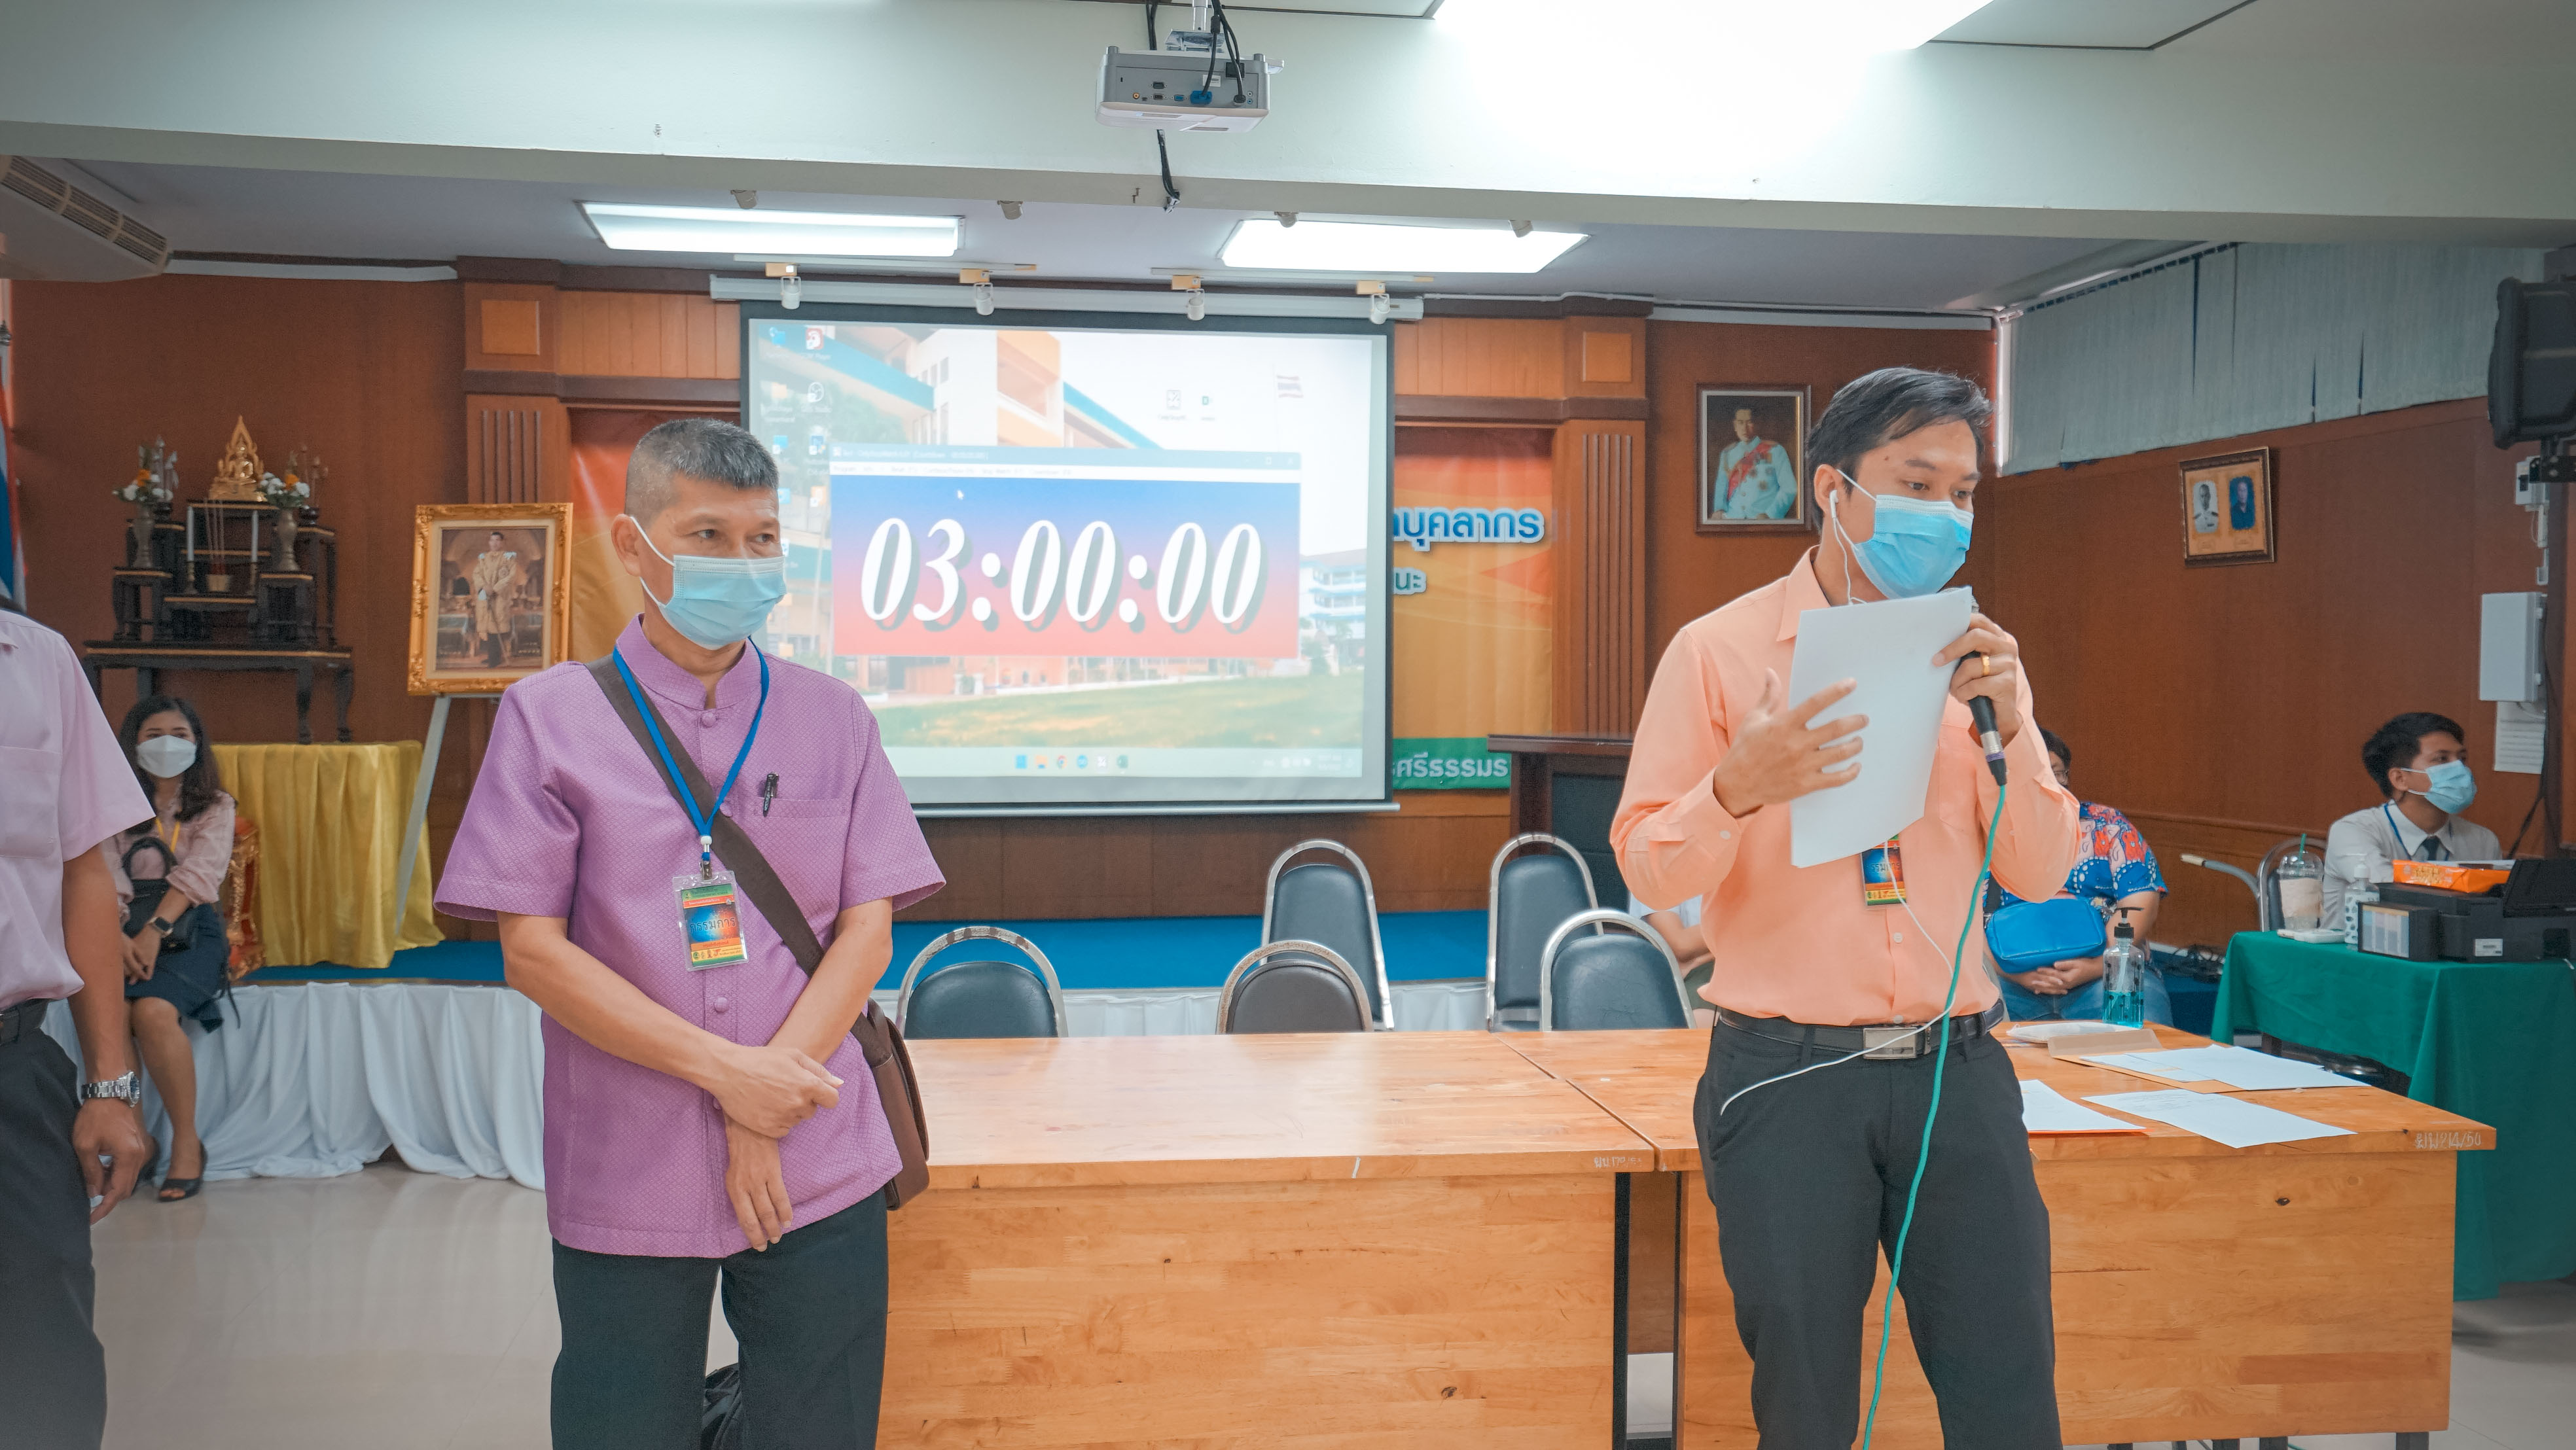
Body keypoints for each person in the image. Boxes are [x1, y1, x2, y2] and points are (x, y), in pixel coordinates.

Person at [436, 418, 944, 1450]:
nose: (742, 563)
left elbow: (868, 929)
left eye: (763, 540)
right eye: (708, 536)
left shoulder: (835, 717)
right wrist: (730, 1077)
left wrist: (764, 1104)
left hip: (815, 1151)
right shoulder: (547, 718)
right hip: (629, 1152)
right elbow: (532, 951)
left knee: (822, 1427)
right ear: (635, 547)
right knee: (623, 1425)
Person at [1615, 366, 2082, 1447]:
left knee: (2009, 1379)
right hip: (1787, 1075)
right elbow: (1648, 867)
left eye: (1963, 493)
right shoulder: (1719, 652)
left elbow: (2040, 872)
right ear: (1834, 489)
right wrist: (1737, 787)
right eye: (1916, 485)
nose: (1945, 516)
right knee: (1807, 1395)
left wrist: (2012, 724)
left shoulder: (1977, 660)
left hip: (1957, 1071)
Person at [0, 607, 156, 1449]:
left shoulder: (37, 661)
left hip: (12, 1071)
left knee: (42, 1351)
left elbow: (84, 871)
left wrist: (108, 1084)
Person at [103, 694, 238, 1200]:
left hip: (189, 931)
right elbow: (102, 875)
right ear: (132, 745)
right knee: (112, 1014)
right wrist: (118, 935)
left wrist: (152, 931)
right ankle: (136, 1141)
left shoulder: (215, 805)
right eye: (153, 735)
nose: (167, 745)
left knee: (154, 1012)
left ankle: (186, 1142)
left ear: (197, 743)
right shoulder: (113, 805)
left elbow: (201, 875)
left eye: (179, 735)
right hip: (117, 929)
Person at [1990, 728, 2172, 1024]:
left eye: (2056, 773)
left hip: (2108, 970)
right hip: (2009, 977)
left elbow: (2140, 900)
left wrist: (2097, 966)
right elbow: (1964, 917)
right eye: (2032, 772)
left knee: (2142, 1039)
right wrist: (2014, 974)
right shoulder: (1985, 832)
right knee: (1973, 1039)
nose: (2046, 782)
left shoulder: (2108, 825)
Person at [2321, 711, 2502, 923]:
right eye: (2442, 759)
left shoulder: (2482, 840)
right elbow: (2386, 891)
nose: (2460, 769)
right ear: (2400, 779)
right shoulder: (2352, 831)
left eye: (2462, 759)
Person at [1628, 891, 1714, 1027]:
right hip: (1694, 977)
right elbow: (1681, 945)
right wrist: (1741, 924)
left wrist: (1700, 958)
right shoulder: (1654, 877)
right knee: (1701, 1020)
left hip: (1737, 965)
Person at [1715, 406, 1797, 520]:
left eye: (1749, 422)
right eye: (1740, 423)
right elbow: (1721, 487)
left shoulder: (1776, 451)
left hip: (1763, 521)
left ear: (1757, 424)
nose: (1744, 428)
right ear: (1735, 425)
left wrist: (1770, 514)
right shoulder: (1728, 454)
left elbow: (1790, 488)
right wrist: (1719, 510)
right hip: (1732, 519)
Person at [467, 529, 522, 667]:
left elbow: (510, 577)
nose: (494, 543)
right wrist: (484, 587)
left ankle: (495, 658)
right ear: (489, 542)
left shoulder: (508, 558)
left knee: (496, 626)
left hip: (499, 597)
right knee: (487, 626)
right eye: (492, 540)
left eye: (498, 540)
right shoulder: (483, 558)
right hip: (485, 595)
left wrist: (495, 589)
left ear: (502, 542)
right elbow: (477, 574)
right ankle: (492, 656)